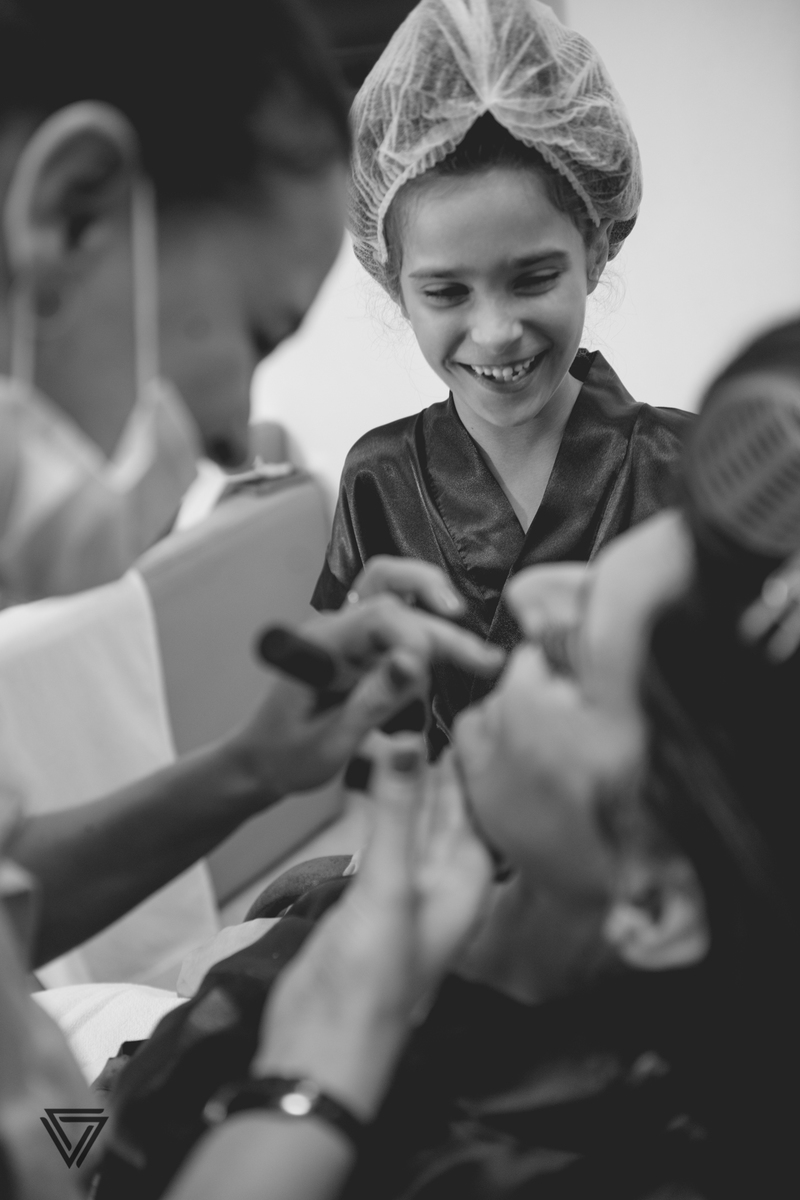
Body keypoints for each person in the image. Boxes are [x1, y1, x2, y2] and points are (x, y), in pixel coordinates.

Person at [104, 317, 798, 1198]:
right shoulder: (400, 903)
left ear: (655, 900)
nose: (534, 589)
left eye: (567, 654)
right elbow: (111, 1107)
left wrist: (314, 1068)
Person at [312, 0, 693, 750]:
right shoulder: (377, 482)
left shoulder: (686, 469)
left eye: (532, 278)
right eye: (447, 292)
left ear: (594, 246)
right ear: (396, 287)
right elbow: (351, 723)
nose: (495, 331)